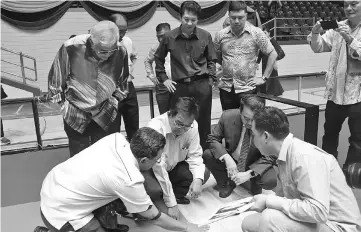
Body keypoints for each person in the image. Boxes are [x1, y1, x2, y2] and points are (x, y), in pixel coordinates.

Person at [38, 127, 208, 232]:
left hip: (54, 183)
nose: (159, 161)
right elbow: (153, 215)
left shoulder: (116, 138)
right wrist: (187, 228)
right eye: (157, 159)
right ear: (143, 160)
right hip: (61, 212)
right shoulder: (128, 179)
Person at [241, 106, 361, 232]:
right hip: (319, 223)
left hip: (337, 226)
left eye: (253, 135)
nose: (253, 140)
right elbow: (288, 200)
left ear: (266, 136)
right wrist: (267, 202)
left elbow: (318, 211)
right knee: (249, 223)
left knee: (269, 218)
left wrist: (269, 200)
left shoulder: (304, 157)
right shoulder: (284, 155)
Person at [47, 21, 129, 157]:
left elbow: (123, 81)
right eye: (103, 51)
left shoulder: (120, 50)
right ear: (92, 40)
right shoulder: (71, 47)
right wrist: (64, 106)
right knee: (79, 157)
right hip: (76, 112)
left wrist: (115, 100)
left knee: (107, 155)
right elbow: (55, 81)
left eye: (111, 50)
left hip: (106, 111)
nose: (108, 54)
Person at [154, 0, 217, 150]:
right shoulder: (169, 37)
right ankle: (179, 150)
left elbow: (212, 59)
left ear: (198, 19)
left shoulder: (205, 35)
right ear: (180, 17)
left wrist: (211, 79)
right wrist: (164, 79)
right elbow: (158, 58)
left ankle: (203, 152)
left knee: (203, 120)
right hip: (179, 86)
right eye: (186, 19)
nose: (189, 23)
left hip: (201, 84)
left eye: (193, 20)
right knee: (179, 119)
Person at [308, 1, 361, 167]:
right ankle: (329, 168)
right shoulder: (337, 27)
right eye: (346, 5)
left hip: (358, 96)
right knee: (329, 134)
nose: (349, 9)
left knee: (358, 138)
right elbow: (318, 47)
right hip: (335, 94)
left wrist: (350, 39)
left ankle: (352, 173)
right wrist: (315, 32)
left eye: (354, 4)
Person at [144, 97, 210, 220]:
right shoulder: (155, 128)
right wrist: (171, 204)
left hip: (173, 168)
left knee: (203, 174)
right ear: (170, 113)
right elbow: (159, 167)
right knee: (154, 190)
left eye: (187, 126)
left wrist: (197, 180)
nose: (182, 129)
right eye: (179, 123)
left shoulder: (192, 126)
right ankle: (165, 196)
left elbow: (195, 155)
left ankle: (169, 194)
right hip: (153, 170)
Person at [203, 95, 277, 198]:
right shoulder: (228, 116)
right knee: (208, 155)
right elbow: (212, 139)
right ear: (240, 111)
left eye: (254, 119)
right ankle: (227, 182)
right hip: (233, 159)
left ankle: (252, 179)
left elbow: (272, 155)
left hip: (253, 162)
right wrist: (226, 157)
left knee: (270, 180)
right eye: (246, 118)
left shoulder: (268, 124)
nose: (249, 123)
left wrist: (250, 173)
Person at [213, 1, 277, 110]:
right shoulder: (220, 35)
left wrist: (264, 78)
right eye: (233, 17)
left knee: (248, 123)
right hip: (226, 89)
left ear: (246, 16)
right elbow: (216, 57)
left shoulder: (256, 33)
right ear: (228, 15)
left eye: (240, 17)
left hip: (248, 89)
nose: (236, 21)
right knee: (230, 122)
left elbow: (273, 53)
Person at [110, 13, 139, 141]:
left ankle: (135, 155)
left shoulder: (127, 41)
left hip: (128, 87)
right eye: (120, 31)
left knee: (133, 125)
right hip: (112, 91)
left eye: (124, 30)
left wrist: (130, 72)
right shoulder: (101, 43)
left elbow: (134, 56)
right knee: (113, 128)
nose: (122, 34)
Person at [144, 22, 172, 114]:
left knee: (178, 113)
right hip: (162, 86)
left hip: (177, 84)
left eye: (163, 36)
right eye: (158, 36)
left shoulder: (178, 46)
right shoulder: (155, 48)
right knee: (164, 115)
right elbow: (147, 61)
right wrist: (152, 76)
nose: (161, 39)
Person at [257, 29, 284, 96]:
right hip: (264, 62)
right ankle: (265, 91)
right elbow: (260, 53)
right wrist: (257, 62)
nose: (264, 34)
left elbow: (281, 52)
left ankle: (274, 92)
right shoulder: (263, 42)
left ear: (269, 33)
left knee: (272, 78)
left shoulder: (273, 41)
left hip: (271, 63)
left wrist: (275, 60)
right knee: (264, 77)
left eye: (265, 33)